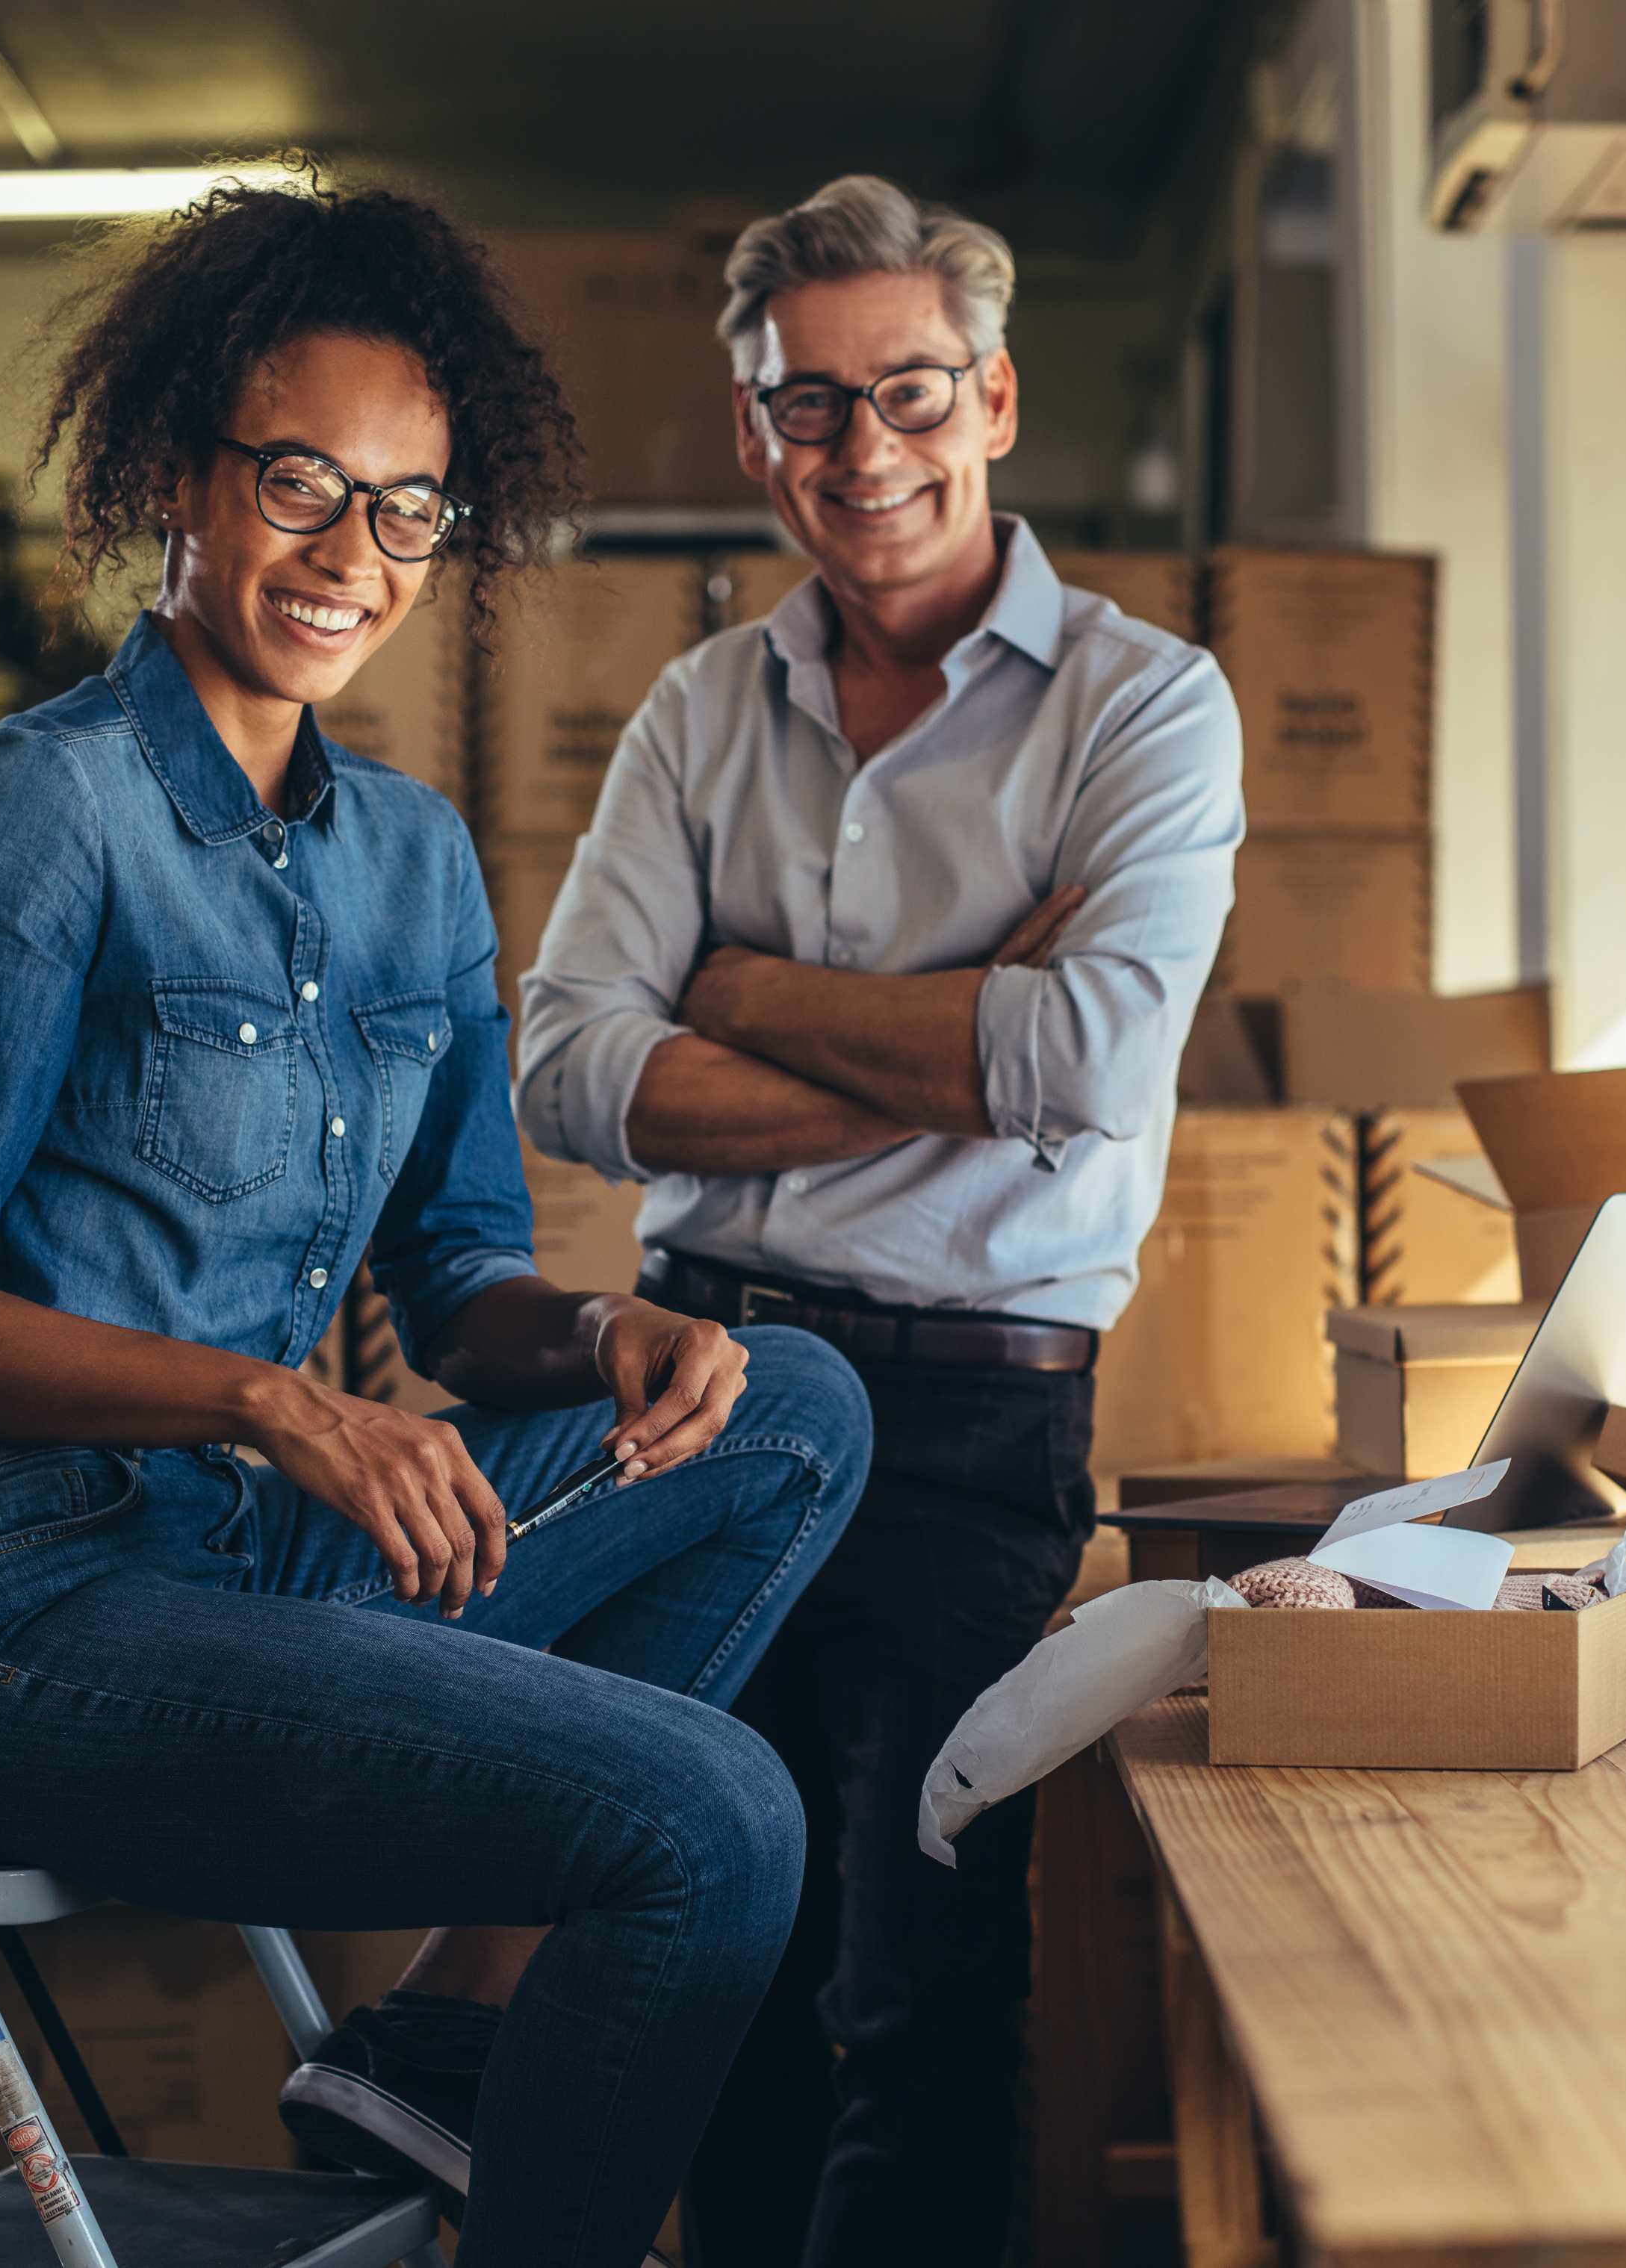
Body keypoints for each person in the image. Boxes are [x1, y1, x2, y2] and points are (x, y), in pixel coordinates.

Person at [0, 172, 869, 2268]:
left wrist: (607, 1339)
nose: (349, 556)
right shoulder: (44, 812)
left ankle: (446, 2044)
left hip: (268, 1580)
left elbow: (455, 1295)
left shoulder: (414, 862)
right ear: (177, 467)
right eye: (300, 483)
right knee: (711, 1821)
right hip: (15, 1618)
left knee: (793, 1402)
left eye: (406, 510)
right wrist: (270, 1404)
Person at [514, 175, 1245, 2265]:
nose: (864, 453)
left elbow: (1091, 1065)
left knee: (917, 1992)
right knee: (707, 1961)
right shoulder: (694, 715)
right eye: (806, 407)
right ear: (754, 435)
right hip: (703, 1390)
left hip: (964, 1420)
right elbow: (566, 1066)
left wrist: (730, 1003)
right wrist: (942, 1033)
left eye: (907, 391)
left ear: (994, 396)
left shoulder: (1143, 706)